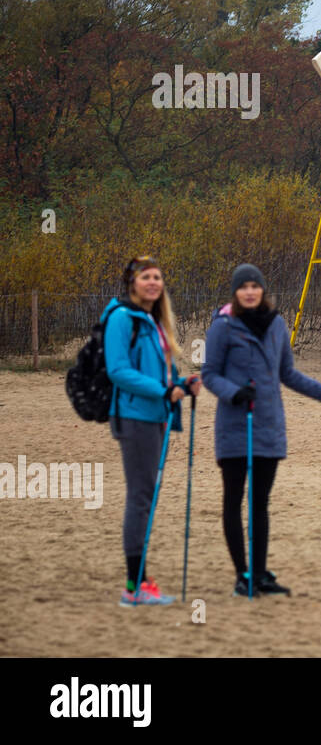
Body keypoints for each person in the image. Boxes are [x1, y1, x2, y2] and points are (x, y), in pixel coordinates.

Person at [202, 264, 321, 598]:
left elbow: (288, 374)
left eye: (255, 286)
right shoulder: (223, 327)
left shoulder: (277, 324)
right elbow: (209, 374)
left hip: (268, 426)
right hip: (236, 427)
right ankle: (243, 575)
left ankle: (260, 572)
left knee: (260, 503)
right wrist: (234, 392)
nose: (249, 291)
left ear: (263, 290)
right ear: (235, 292)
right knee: (233, 500)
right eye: (243, 287)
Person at [103, 255, 200, 607]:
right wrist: (163, 391)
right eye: (146, 277)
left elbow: (157, 374)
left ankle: (141, 578)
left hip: (156, 417)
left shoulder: (152, 321)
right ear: (132, 282)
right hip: (135, 417)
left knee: (147, 498)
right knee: (140, 498)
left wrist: (180, 383)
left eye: (158, 277)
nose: (153, 283)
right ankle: (134, 585)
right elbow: (117, 370)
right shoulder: (121, 319)